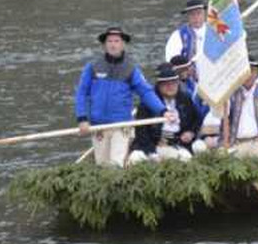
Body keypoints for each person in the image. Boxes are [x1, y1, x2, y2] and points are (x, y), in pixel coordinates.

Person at [75, 26, 174, 167]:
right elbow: (82, 93)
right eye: (109, 41)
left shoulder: (131, 69)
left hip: (121, 126)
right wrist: (82, 119)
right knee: (102, 165)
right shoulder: (92, 67)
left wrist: (163, 111)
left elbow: (145, 92)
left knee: (116, 164)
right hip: (98, 126)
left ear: (122, 44)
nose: (113, 44)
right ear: (105, 45)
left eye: (116, 41)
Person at [132, 63, 202, 162]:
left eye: (173, 82)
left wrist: (191, 132)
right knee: (136, 158)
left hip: (177, 143)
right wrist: (151, 151)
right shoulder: (148, 102)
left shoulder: (185, 99)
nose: (170, 86)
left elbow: (197, 119)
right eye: (165, 84)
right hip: (152, 143)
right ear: (159, 85)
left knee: (186, 158)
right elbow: (141, 131)